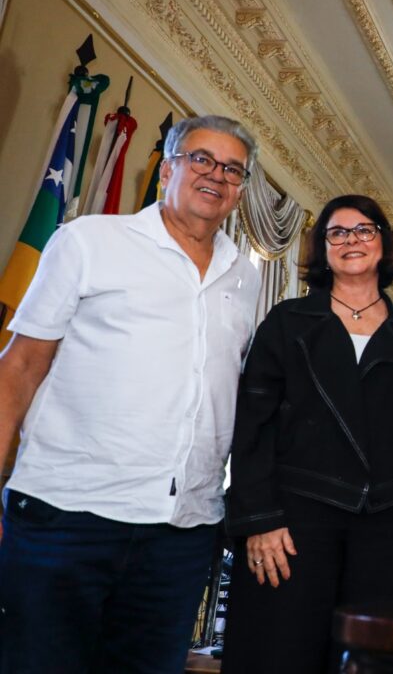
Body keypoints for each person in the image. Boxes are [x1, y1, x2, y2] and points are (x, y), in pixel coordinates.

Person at [0, 115, 261, 673]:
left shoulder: (246, 277)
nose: (216, 175)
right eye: (201, 159)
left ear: (240, 190)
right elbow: (18, 367)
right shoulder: (90, 240)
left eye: (232, 169)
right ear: (167, 168)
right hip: (67, 516)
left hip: (183, 532)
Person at [223, 194, 393, 672]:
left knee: (367, 661)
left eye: (364, 230)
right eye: (337, 232)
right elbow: (252, 426)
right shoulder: (287, 321)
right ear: (322, 247)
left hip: (384, 528)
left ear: (384, 244)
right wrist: (259, 519)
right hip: (293, 523)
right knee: (281, 656)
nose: (351, 240)